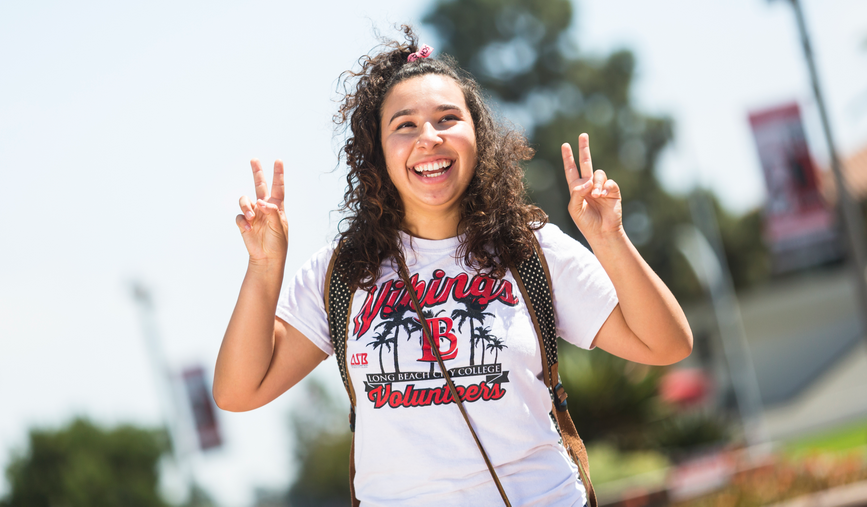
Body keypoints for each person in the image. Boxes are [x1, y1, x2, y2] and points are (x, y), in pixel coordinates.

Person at [213, 28, 692, 507]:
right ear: (377, 152)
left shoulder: (531, 250)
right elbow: (239, 391)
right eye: (405, 125)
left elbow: (666, 344)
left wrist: (609, 238)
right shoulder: (341, 273)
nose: (430, 138)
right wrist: (264, 265)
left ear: (477, 135)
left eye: (447, 118)